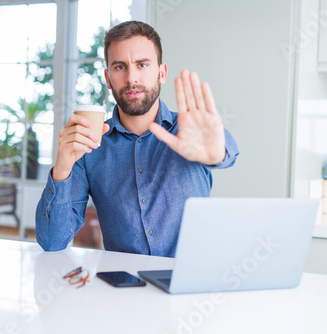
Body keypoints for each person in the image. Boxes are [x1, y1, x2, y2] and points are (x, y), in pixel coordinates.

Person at [35, 21, 239, 257]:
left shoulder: (188, 130)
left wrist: (216, 154)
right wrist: (61, 169)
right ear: (108, 78)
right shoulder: (89, 146)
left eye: (142, 64)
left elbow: (225, 150)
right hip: (124, 288)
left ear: (161, 73)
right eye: (120, 67)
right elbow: (52, 242)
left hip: (191, 284)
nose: (132, 78)